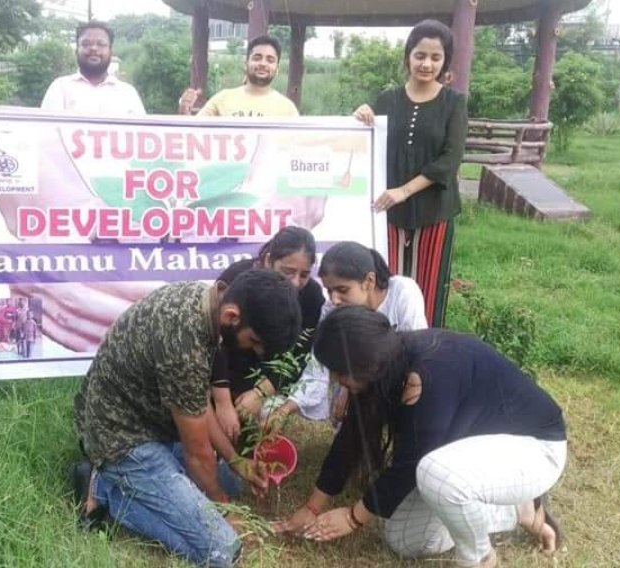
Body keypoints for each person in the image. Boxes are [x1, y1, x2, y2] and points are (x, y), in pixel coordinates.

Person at [276, 306, 567, 568]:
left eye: (339, 372)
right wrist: (311, 507)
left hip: (534, 450)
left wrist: (353, 517)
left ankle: (479, 558)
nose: (337, 381)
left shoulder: (426, 374)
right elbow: (351, 438)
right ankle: (518, 510)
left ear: (362, 364)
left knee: (434, 473)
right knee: (403, 539)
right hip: (472, 457)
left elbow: (410, 462)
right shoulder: (387, 362)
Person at [71, 270, 302, 567]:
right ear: (232, 315)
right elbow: (198, 455)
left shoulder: (204, 301)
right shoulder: (185, 343)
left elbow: (198, 406)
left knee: (231, 481)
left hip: (151, 426)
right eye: (254, 342)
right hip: (123, 441)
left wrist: (236, 461)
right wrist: (225, 511)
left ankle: (115, 482)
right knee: (222, 550)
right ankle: (104, 488)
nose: (254, 352)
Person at [353, 19, 468, 328]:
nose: (426, 64)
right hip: (386, 212)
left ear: (445, 61)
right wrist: (360, 119)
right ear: (408, 57)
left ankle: (425, 360)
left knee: (427, 288)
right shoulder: (388, 99)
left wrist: (404, 190)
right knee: (383, 285)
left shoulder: (454, 102)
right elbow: (370, 144)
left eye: (435, 57)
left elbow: (450, 158)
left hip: (434, 211)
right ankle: (381, 353)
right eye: (419, 55)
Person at [267, 241, 427, 429]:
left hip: (401, 379)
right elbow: (317, 367)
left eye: (343, 290)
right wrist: (284, 410)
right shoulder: (331, 309)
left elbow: (417, 351)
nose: (334, 299)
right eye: (329, 290)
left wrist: (353, 386)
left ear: (369, 281)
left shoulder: (402, 292)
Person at [209, 227, 325, 443]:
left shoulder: (311, 296)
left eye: (304, 275)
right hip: (225, 366)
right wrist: (223, 399)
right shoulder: (237, 277)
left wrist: (260, 392)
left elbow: (298, 355)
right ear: (268, 260)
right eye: (288, 271)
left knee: (261, 417)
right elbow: (215, 341)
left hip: (269, 373)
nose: (295, 282)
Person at [178, 35, 299, 117]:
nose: (263, 63)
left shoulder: (287, 109)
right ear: (245, 64)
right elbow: (193, 135)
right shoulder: (222, 99)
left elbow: (299, 146)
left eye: (270, 60)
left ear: (277, 69)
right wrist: (184, 111)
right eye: (257, 58)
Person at [40, 21, 145, 115]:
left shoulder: (127, 93)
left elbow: (140, 132)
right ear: (76, 51)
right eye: (86, 44)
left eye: (101, 44)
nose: (93, 48)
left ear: (111, 52)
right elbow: (47, 131)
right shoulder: (60, 88)